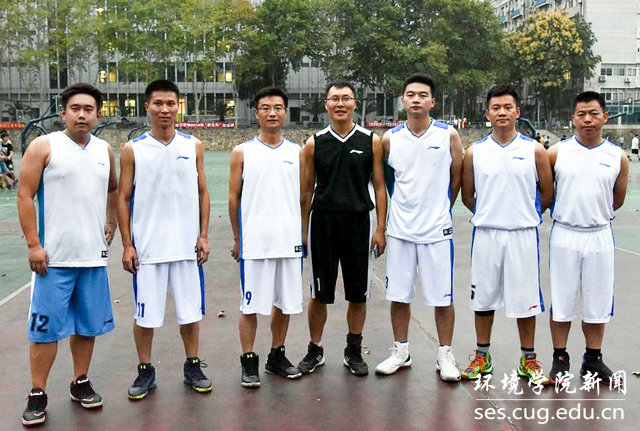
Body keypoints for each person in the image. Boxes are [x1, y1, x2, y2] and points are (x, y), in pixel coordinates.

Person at [17, 83, 118, 426]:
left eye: (89, 109)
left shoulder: (105, 149)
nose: (82, 115)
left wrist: (111, 223)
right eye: (75, 108)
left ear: (98, 115)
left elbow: (113, 190)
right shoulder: (44, 146)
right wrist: (34, 244)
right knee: (44, 330)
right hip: (53, 260)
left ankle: (80, 381)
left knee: (86, 328)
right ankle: (37, 392)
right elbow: (25, 194)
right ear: (63, 113)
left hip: (92, 258)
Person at [118, 79, 212, 400]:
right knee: (145, 316)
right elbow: (123, 198)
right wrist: (127, 244)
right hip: (148, 250)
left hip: (187, 248)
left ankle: (192, 365)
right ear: (147, 106)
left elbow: (202, 192)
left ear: (178, 107)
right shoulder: (133, 149)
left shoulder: (193, 145)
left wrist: (203, 236)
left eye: (171, 103)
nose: (165, 109)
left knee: (190, 313)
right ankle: (145, 370)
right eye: (158, 103)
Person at [460, 85, 553, 384]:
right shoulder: (475, 152)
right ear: (487, 113)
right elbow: (468, 195)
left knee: (526, 299)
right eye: (496, 108)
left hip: (522, 235)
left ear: (517, 112)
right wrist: (491, 214)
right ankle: (482, 356)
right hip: (486, 234)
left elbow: (547, 193)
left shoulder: (534, 150)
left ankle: (529, 359)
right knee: (483, 299)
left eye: (507, 107)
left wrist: (523, 214)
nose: (502, 112)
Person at [374, 74, 463, 381]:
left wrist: (442, 207)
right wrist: (386, 224)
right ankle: (401, 351)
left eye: (422, 95)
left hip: (437, 231)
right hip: (401, 231)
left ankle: (445, 355)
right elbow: (385, 183)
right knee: (399, 295)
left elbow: (456, 177)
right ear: (403, 100)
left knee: (443, 298)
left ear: (432, 101)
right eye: (410, 94)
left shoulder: (448, 134)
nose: (416, 99)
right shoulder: (390, 139)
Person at [298, 80, 387, 376]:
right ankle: (315, 349)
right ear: (326, 104)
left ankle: (354, 350)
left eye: (345, 98)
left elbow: (380, 186)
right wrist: (303, 231)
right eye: (334, 99)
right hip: (322, 224)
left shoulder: (371, 140)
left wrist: (381, 228)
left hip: (359, 223)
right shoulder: (314, 142)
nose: (340, 104)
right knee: (319, 293)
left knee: (358, 294)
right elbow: (306, 190)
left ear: (354, 103)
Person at [547, 91, 628, 384]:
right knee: (562, 299)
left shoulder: (618, 157)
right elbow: (547, 192)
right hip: (565, 234)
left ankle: (593, 359)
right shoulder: (556, 153)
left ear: (604, 117)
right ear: (573, 119)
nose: (588, 120)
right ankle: (560, 358)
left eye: (594, 113)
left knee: (598, 300)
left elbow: (617, 199)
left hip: (599, 235)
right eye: (581, 114)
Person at [228, 87, 303, 387]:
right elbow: (233, 198)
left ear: (285, 112)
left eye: (278, 108)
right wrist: (237, 238)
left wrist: (302, 235)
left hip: (289, 242)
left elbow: (304, 197)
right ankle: (248, 360)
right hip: (255, 244)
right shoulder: (242, 152)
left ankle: (276, 355)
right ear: (257, 113)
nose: (272, 113)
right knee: (250, 305)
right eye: (266, 108)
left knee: (284, 303)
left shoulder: (297, 152)